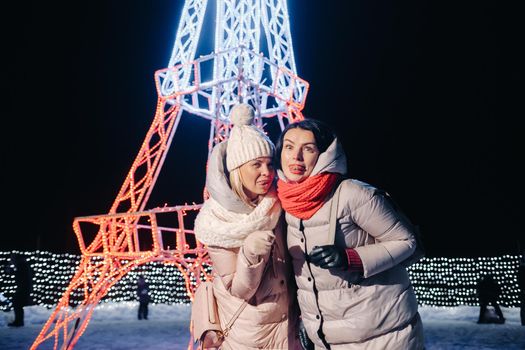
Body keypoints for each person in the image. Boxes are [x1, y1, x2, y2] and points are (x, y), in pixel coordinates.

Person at [274, 118, 424, 349]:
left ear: (325, 154)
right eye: (289, 147)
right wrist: (309, 325)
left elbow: (406, 241)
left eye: (308, 148)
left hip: (382, 336)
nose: (296, 157)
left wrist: (349, 258)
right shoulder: (284, 205)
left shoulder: (353, 194)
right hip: (329, 340)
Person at [194, 103, 300, 349]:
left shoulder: (279, 202)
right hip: (249, 335)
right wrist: (250, 254)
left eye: (269, 164)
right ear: (238, 170)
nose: (267, 173)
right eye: (256, 165)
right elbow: (240, 289)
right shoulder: (217, 222)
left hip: (289, 329)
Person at [6, 253, 33, 327]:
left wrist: (11, 271)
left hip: (23, 288)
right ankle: (19, 321)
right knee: (18, 304)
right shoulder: (22, 264)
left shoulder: (21, 265)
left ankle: (18, 322)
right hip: (24, 288)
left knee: (17, 304)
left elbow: (19, 275)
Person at [518, 252, 525, 326]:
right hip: (523, 290)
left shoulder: (521, 268)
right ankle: (524, 321)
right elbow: (520, 280)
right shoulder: (521, 268)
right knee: (523, 306)